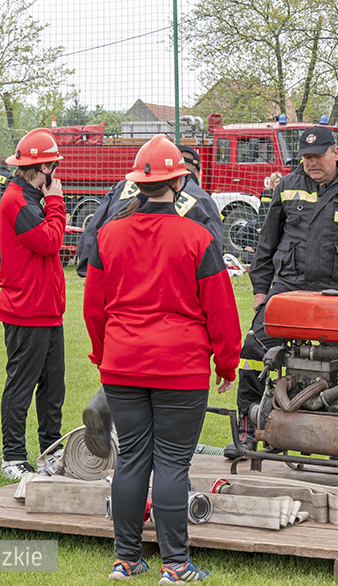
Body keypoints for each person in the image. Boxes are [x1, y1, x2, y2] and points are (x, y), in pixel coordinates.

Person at [83, 134, 241, 582]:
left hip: (122, 363)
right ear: (181, 182)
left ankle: (126, 559)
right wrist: (226, 365)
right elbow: (221, 310)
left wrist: (103, 354)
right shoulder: (197, 237)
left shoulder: (109, 234)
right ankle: (175, 566)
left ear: (136, 184)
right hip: (180, 368)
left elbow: (94, 307)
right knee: (173, 462)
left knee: (132, 458)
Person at [224, 125, 338, 459]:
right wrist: (262, 291)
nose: (311, 163)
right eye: (306, 157)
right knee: (253, 348)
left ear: (335, 153)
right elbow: (267, 243)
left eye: (318, 156)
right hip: (289, 290)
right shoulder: (288, 186)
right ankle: (252, 431)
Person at [0, 128, 66, 480]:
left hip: (47, 310)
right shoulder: (18, 201)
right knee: (22, 385)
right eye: (52, 167)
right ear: (40, 168)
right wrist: (56, 202)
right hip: (26, 310)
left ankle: (50, 452)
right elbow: (50, 242)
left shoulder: (29, 197)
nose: (56, 175)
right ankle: (13, 456)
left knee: (54, 386)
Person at [76, 144, 223, 278]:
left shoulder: (121, 189)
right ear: (194, 174)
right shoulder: (204, 202)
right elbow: (214, 261)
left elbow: (89, 246)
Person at [235, 171, 282, 264]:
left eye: (280, 181)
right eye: (277, 182)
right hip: (263, 223)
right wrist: (260, 226)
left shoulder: (283, 195)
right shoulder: (265, 194)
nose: (278, 184)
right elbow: (262, 211)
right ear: (272, 183)